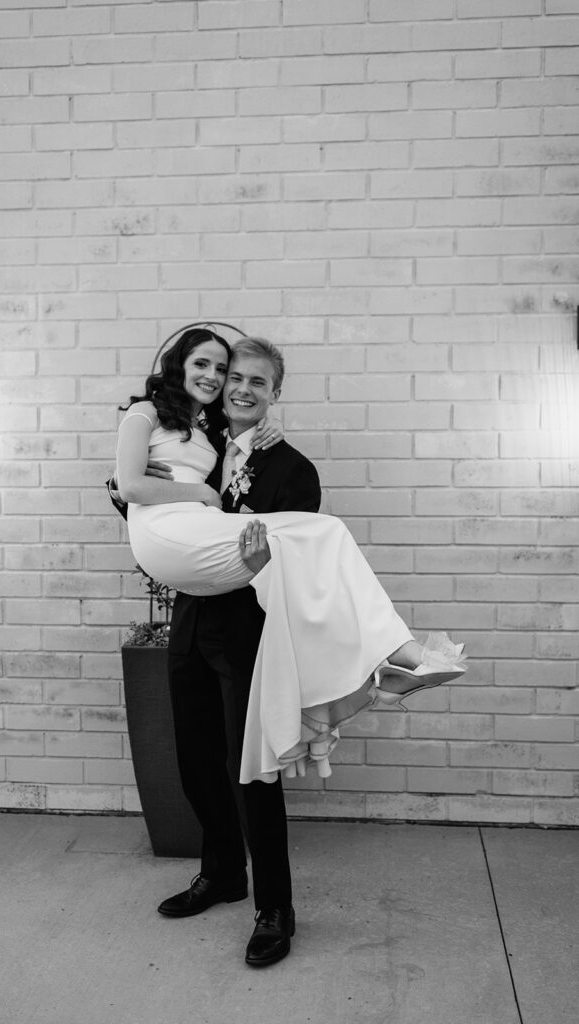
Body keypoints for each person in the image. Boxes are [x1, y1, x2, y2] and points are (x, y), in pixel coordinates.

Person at [113, 328, 466, 966]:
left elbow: (299, 564)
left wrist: (254, 563)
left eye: (256, 382)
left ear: (275, 395)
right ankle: (221, 874)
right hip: (192, 622)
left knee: (253, 770)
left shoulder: (293, 469)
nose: (240, 389)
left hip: (255, 635)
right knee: (195, 759)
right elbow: (135, 498)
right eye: (233, 377)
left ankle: (275, 906)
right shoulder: (195, 436)